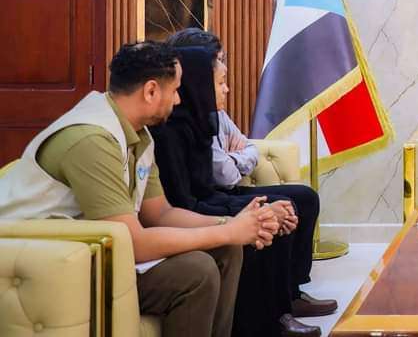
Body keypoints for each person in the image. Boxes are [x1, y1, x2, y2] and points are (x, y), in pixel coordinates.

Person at [0, 42, 279, 337]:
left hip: (92, 252)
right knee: (196, 272)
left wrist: (233, 225)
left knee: (226, 250)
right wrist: (228, 230)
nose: (179, 99)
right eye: (175, 90)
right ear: (150, 91)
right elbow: (131, 242)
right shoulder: (91, 139)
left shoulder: (139, 134)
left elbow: (160, 213)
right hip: (40, 261)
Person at [152, 46, 334, 337]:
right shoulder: (168, 133)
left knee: (298, 199)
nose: (227, 89)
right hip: (193, 212)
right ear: (200, 85)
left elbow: (242, 155)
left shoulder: (201, 121)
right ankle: (269, 320)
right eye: (220, 82)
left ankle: (288, 299)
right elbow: (191, 198)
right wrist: (246, 215)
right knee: (268, 216)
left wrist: (246, 201)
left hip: (211, 199)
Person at [167, 28, 259, 188]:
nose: (222, 66)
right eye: (217, 59)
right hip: (209, 195)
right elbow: (226, 176)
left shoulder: (217, 112)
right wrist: (230, 159)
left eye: (222, 59)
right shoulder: (179, 119)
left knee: (301, 194)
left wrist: (233, 158)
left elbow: (251, 149)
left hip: (220, 192)